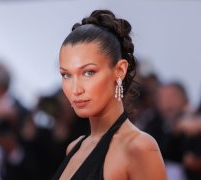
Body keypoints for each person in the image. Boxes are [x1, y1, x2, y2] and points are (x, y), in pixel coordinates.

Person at [52, 10, 166, 180]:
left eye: (89, 72)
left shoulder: (139, 147)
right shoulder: (75, 147)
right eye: (66, 75)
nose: (75, 89)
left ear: (119, 70)